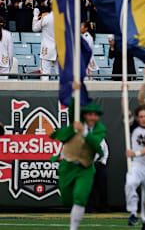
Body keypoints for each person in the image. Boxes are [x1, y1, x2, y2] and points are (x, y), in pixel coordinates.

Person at [50, 98, 107, 230]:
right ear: (84, 115)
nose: (92, 117)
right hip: (68, 166)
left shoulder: (99, 130)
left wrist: (84, 132)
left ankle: (73, 228)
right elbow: (72, 111)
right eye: (89, 114)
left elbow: (96, 146)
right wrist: (74, 96)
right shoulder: (74, 125)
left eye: (95, 114)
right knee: (66, 199)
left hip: (85, 167)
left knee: (80, 197)